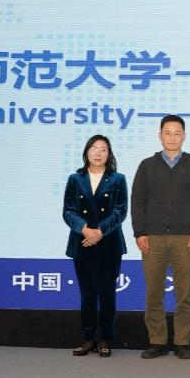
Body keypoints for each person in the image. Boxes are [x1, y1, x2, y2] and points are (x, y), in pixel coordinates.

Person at [131, 115, 190, 360]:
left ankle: (182, 342)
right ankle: (157, 341)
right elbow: (137, 201)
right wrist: (140, 232)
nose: (172, 138)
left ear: (184, 136)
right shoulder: (147, 166)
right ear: (160, 135)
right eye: (168, 133)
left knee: (184, 294)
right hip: (152, 238)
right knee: (153, 292)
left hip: (185, 238)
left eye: (177, 133)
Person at [63, 135, 128, 358]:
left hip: (109, 244)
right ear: (86, 152)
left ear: (109, 154)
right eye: (94, 148)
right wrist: (85, 230)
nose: (98, 153)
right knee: (87, 294)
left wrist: (99, 232)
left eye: (103, 149)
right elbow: (68, 211)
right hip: (82, 243)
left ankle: (106, 339)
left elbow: (120, 212)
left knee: (107, 294)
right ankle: (89, 338)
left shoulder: (118, 179)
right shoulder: (75, 179)